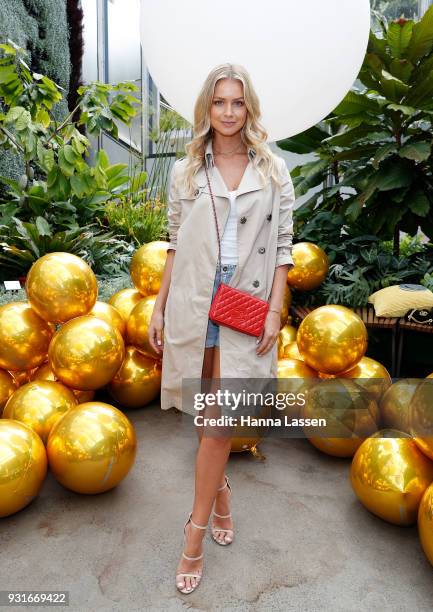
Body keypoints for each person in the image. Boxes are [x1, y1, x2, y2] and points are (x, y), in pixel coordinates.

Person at [148, 63, 295, 594]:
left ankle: (194, 535)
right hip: (197, 298)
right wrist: (160, 307)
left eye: (237, 103)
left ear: (248, 108)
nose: (228, 112)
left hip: (248, 299)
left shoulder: (274, 171)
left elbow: (282, 252)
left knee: (215, 425)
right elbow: (172, 245)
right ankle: (222, 494)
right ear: (206, 109)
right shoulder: (186, 172)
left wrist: (276, 312)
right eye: (219, 103)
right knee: (209, 417)